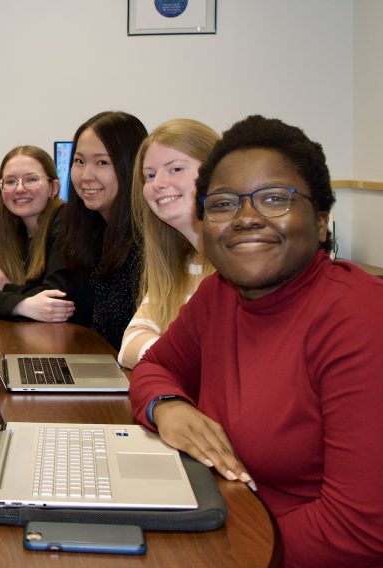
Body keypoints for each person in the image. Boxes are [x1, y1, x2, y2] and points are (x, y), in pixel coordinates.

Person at [129, 115, 383, 566]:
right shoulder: (218, 295)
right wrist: (166, 406)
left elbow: (358, 531)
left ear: (321, 221)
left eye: (273, 199)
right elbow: (154, 367)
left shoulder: (360, 317)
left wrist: (215, 555)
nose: (246, 218)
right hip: (223, 520)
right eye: (223, 204)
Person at [117, 119, 219, 368]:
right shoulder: (181, 265)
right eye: (149, 175)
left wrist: (164, 354)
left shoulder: (246, 266)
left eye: (175, 169)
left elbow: (219, 361)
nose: (158, 183)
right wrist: (177, 355)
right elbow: (129, 345)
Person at [0, 145, 89, 323]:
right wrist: (25, 305)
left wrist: (5, 287)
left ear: (53, 188)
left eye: (31, 179)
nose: (19, 188)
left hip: (74, 336)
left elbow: (56, 300)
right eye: (10, 181)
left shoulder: (67, 221)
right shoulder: (9, 231)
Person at [62, 111, 148, 348]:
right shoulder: (90, 228)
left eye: (102, 162)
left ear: (131, 166)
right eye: (79, 161)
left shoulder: (147, 242)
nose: (86, 176)